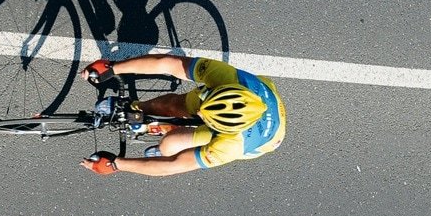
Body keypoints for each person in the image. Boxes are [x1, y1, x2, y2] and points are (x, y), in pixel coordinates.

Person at [79, 55, 285, 176]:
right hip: (263, 89)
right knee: (173, 104)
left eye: (207, 119)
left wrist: (116, 165)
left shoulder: (231, 145)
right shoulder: (226, 76)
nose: (199, 114)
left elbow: (174, 164)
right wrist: (112, 68)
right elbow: (168, 64)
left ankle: (165, 131)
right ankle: (136, 106)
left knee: (169, 146)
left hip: (266, 138)